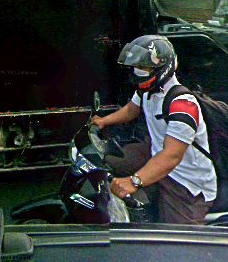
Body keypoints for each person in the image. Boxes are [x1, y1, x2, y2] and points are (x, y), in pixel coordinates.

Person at [92, 35, 217, 224]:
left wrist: (134, 181)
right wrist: (103, 121)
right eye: (136, 68)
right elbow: (131, 109)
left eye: (143, 69)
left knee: (171, 236)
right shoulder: (147, 90)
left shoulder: (183, 104)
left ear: (163, 67)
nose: (137, 73)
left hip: (185, 179)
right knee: (108, 161)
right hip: (155, 152)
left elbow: (171, 156)